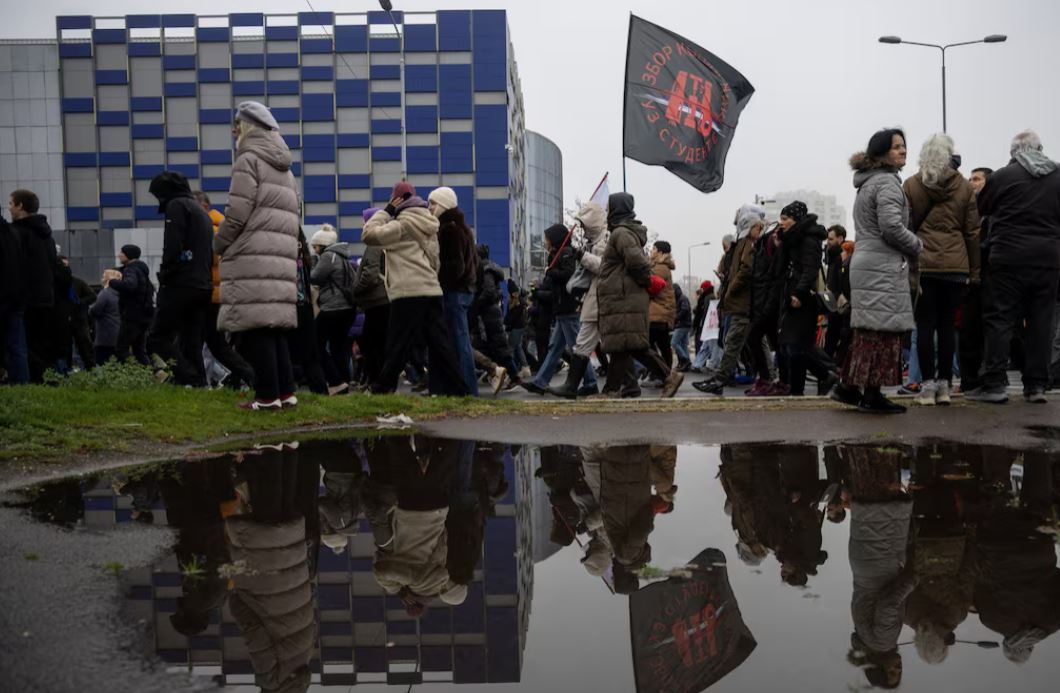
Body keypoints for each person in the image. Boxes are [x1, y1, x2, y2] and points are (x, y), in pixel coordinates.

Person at [215, 101, 301, 410]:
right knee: (273, 328)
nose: (234, 131)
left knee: (255, 330)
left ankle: (266, 397)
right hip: (278, 257)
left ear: (248, 128)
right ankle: (285, 393)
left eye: (237, 125)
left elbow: (237, 212)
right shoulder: (286, 170)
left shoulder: (248, 159)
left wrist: (219, 243)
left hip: (251, 254)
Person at [832, 129, 924, 414]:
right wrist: (917, 244)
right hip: (881, 264)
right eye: (896, 147)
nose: (903, 151)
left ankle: (850, 387)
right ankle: (871, 395)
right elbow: (891, 227)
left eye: (904, 146)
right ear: (882, 152)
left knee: (869, 330)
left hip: (867, 261)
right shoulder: (887, 183)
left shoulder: (868, 182)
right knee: (883, 331)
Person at [967, 131, 1060, 404]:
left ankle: (995, 384)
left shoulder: (1003, 176)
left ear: (1014, 153)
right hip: (1047, 259)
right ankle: (1036, 386)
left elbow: (982, 207)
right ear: (1040, 149)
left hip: (1007, 257)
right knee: (1041, 322)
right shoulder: (1057, 176)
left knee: (1000, 319)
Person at [363, 181, 469, 396]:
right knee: (440, 343)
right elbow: (435, 260)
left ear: (397, 200)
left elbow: (368, 235)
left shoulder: (400, 226)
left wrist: (386, 211)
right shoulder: (430, 224)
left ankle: (383, 388)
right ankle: (461, 389)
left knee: (397, 343)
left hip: (407, 291)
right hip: (431, 289)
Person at [903, 133, 980, 406]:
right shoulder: (964, 186)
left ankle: (926, 387)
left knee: (924, 325)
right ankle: (945, 386)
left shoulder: (912, 184)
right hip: (956, 266)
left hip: (924, 264)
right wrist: (974, 272)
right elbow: (972, 232)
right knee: (947, 326)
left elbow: (905, 227)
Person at [595, 193, 683, 398]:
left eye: (609, 207)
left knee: (633, 346)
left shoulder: (621, 233)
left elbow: (637, 263)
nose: (607, 211)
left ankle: (669, 376)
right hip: (622, 299)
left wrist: (647, 282)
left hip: (623, 300)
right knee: (621, 347)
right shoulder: (622, 233)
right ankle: (611, 390)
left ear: (617, 209)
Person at [146, 171, 214, 386]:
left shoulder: (176, 207)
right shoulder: (200, 211)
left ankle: (187, 377)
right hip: (202, 285)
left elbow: (172, 245)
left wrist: (165, 274)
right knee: (191, 340)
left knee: (157, 338)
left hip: (180, 283)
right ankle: (199, 382)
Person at [694, 207, 763, 395]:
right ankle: (726, 378)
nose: (759, 230)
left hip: (743, 304)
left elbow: (745, 270)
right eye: (757, 227)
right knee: (739, 342)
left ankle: (722, 379)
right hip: (738, 304)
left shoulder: (748, 244)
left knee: (735, 342)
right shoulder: (742, 243)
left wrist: (731, 289)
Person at [523, 223, 598, 396]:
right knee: (555, 348)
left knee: (578, 350)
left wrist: (550, 272)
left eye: (547, 239)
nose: (545, 242)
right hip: (562, 308)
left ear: (555, 239)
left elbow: (567, 275)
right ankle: (540, 382)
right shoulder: (557, 254)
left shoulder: (566, 253)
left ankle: (591, 382)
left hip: (567, 307)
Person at [194, 190, 255, 391]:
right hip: (222, 293)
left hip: (210, 293)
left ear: (203, 206)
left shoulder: (207, 230)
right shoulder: (220, 228)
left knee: (208, 344)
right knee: (215, 344)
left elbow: (207, 262)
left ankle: (199, 382)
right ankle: (248, 378)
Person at [775, 201, 837, 397]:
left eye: (785, 219)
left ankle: (815, 379)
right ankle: (814, 381)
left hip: (802, 299)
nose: (781, 223)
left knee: (795, 345)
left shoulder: (809, 239)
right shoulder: (790, 239)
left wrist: (799, 293)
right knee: (792, 345)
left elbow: (810, 270)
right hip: (791, 295)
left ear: (796, 219)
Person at [549, 202, 608, 399]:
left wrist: (582, 256)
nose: (581, 228)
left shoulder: (604, 240)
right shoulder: (595, 241)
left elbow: (603, 267)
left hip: (601, 297)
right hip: (595, 297)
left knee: (618, 345)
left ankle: (574, 386)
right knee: (584, 343)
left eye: (584, 224)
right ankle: (574, 385)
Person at [431, 186, 479, 396]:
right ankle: (462, 389)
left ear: (443, 204)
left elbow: (454, 266)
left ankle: (466, 389)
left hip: (453, 292)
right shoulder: (462, 227)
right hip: (463, 291)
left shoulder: (449, 229)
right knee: (458, 341)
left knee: (458, 342)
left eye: (433, 203)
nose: (429, 207)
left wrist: (439, 281)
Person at [9, 189, 60, 382]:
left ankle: (29, 383)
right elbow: (53, 265)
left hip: (24, 297)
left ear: (20, 206)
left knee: (22, 345)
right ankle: (42, 381)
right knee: (41, 345)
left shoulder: (17, 233)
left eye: (11, 204)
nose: (9, 208)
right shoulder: (47, 235)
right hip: (46, 296)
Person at [310, 223, 358, 395]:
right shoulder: (343, 257)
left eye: (315, 246)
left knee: (316, 344)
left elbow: (315, 277)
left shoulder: (328, 256)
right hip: (348, 309)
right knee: (339, 347)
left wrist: (312, 263)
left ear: (322, 245)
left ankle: (335, 380)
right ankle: (343, 383)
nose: (314, 249)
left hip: (332, 308)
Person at [352, 208, 390, 389]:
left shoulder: (375, 244)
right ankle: (379, 382)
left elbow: (370, 274)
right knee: (377, 342)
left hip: (377, 300)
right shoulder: (384, 242)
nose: (363, 225)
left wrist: (356, 289)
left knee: (371, 343)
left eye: (364, 221)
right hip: (381, 299)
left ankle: (378, 382)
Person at [107, 244, 154, 366]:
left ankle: (136, 371)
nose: (119, 255)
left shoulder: (131, 269)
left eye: (121, 253)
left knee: (121, 349)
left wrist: (112, 282)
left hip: (132, 316)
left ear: (128, 255)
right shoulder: (141, 270)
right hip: (144, 316)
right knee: (139, 351)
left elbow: (130, 285)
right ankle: (153, 374)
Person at [0, 214, 27, 383]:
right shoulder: (13, 232)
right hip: (16, 295)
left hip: (4, 294)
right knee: (17, 346)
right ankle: (21, 385)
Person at [647, 240, 677, 371]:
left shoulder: (660, 268)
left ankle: (660, 371)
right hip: (661, 312)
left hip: (658, 312)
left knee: (647, 344)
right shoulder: (661, 267)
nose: (651, 251)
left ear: (660, 252)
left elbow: (651, 287)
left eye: (654, 249)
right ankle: (666, 372)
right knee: (663, 345)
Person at [65, 259, 96, 370]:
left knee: (84, 345)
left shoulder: (78, 282)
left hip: (79, 319)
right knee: (66, 347)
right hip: (65, 320)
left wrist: (80, 303)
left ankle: (90, 368)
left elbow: (92, 296)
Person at [824, 225, 848, 358]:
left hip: (839, 303)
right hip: (832, 301)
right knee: (831, 336)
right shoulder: (832, 256)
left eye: (831, 239)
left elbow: (842, 278)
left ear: (840, 238)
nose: (828, 242)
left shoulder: (843, 257)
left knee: (834, 336)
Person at [89, 269, 122, 365]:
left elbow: (96, 310)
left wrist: (89, 308)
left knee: (101, 362)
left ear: (108, 279)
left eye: (103, 276)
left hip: (104, 335)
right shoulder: (121, 293)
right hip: (119, 334)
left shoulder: (105, 293)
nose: (101, 278)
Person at [504, 280, 530, 380]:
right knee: (518, 347)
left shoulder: (519, 302)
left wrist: (506, 323)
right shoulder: (516, 302)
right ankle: (525, 367)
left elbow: (512, 317)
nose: (515, 293)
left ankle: (511, 371)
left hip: (516, 327)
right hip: (518, 327)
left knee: (511, 348)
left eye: (516, 292)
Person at [671, 283, 693, 371]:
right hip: (684, 324)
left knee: (674, 343)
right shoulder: (680, 299)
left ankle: (685, 360)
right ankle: (687, 363)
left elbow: (685, 310)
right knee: (683, 344)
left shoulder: (682, 298)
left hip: (682, 324)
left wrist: (676, 318)